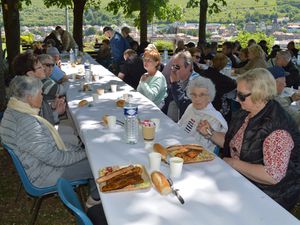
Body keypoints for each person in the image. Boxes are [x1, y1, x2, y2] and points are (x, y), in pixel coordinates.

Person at [198, 68, 300, 210]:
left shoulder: (277, 129)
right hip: (244, 183)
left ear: (260, 94)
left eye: (241, 95)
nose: (237, 99)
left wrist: (233, 164)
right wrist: (210, 133)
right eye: (236, 94)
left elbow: (272, 175)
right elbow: (233, 144)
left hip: (271, 196)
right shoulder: (246, 112)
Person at [0, 76, 100, 208]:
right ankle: (94, 201)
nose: (42, 97)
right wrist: (86, 153)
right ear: (30, 97)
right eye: (40, 93)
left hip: (39, 164)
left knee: (86, 152)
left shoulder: (14, 109)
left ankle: (96, 193)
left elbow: (48, 146)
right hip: (44, 174)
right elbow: (55, 159)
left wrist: (79, 150)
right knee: (97, 163)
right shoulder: (26, 122)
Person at [12, 52, 65, 125]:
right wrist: (57, 113)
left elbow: (40, 114)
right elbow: (39, 126)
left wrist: (52, 106)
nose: (44, 68)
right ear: (30, 73)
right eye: (39, 67)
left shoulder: (25, 87)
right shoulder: (29, 94)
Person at [178, 76, 228, 152]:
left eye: (201, 95)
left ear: (209, 97)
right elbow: (179, 126)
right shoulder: (191, 107)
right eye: (194, 94)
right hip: (181, 145)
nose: (197, 99)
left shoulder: (214, 118)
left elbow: (204, 146)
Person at [162, 51, 200, 122]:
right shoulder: (179, 78)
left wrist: (174, 84)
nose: (173, 70)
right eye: (172, 66)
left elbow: (187, 108)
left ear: (189, 67)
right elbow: (167, 101)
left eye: (177, 67)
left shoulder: (197, 82)